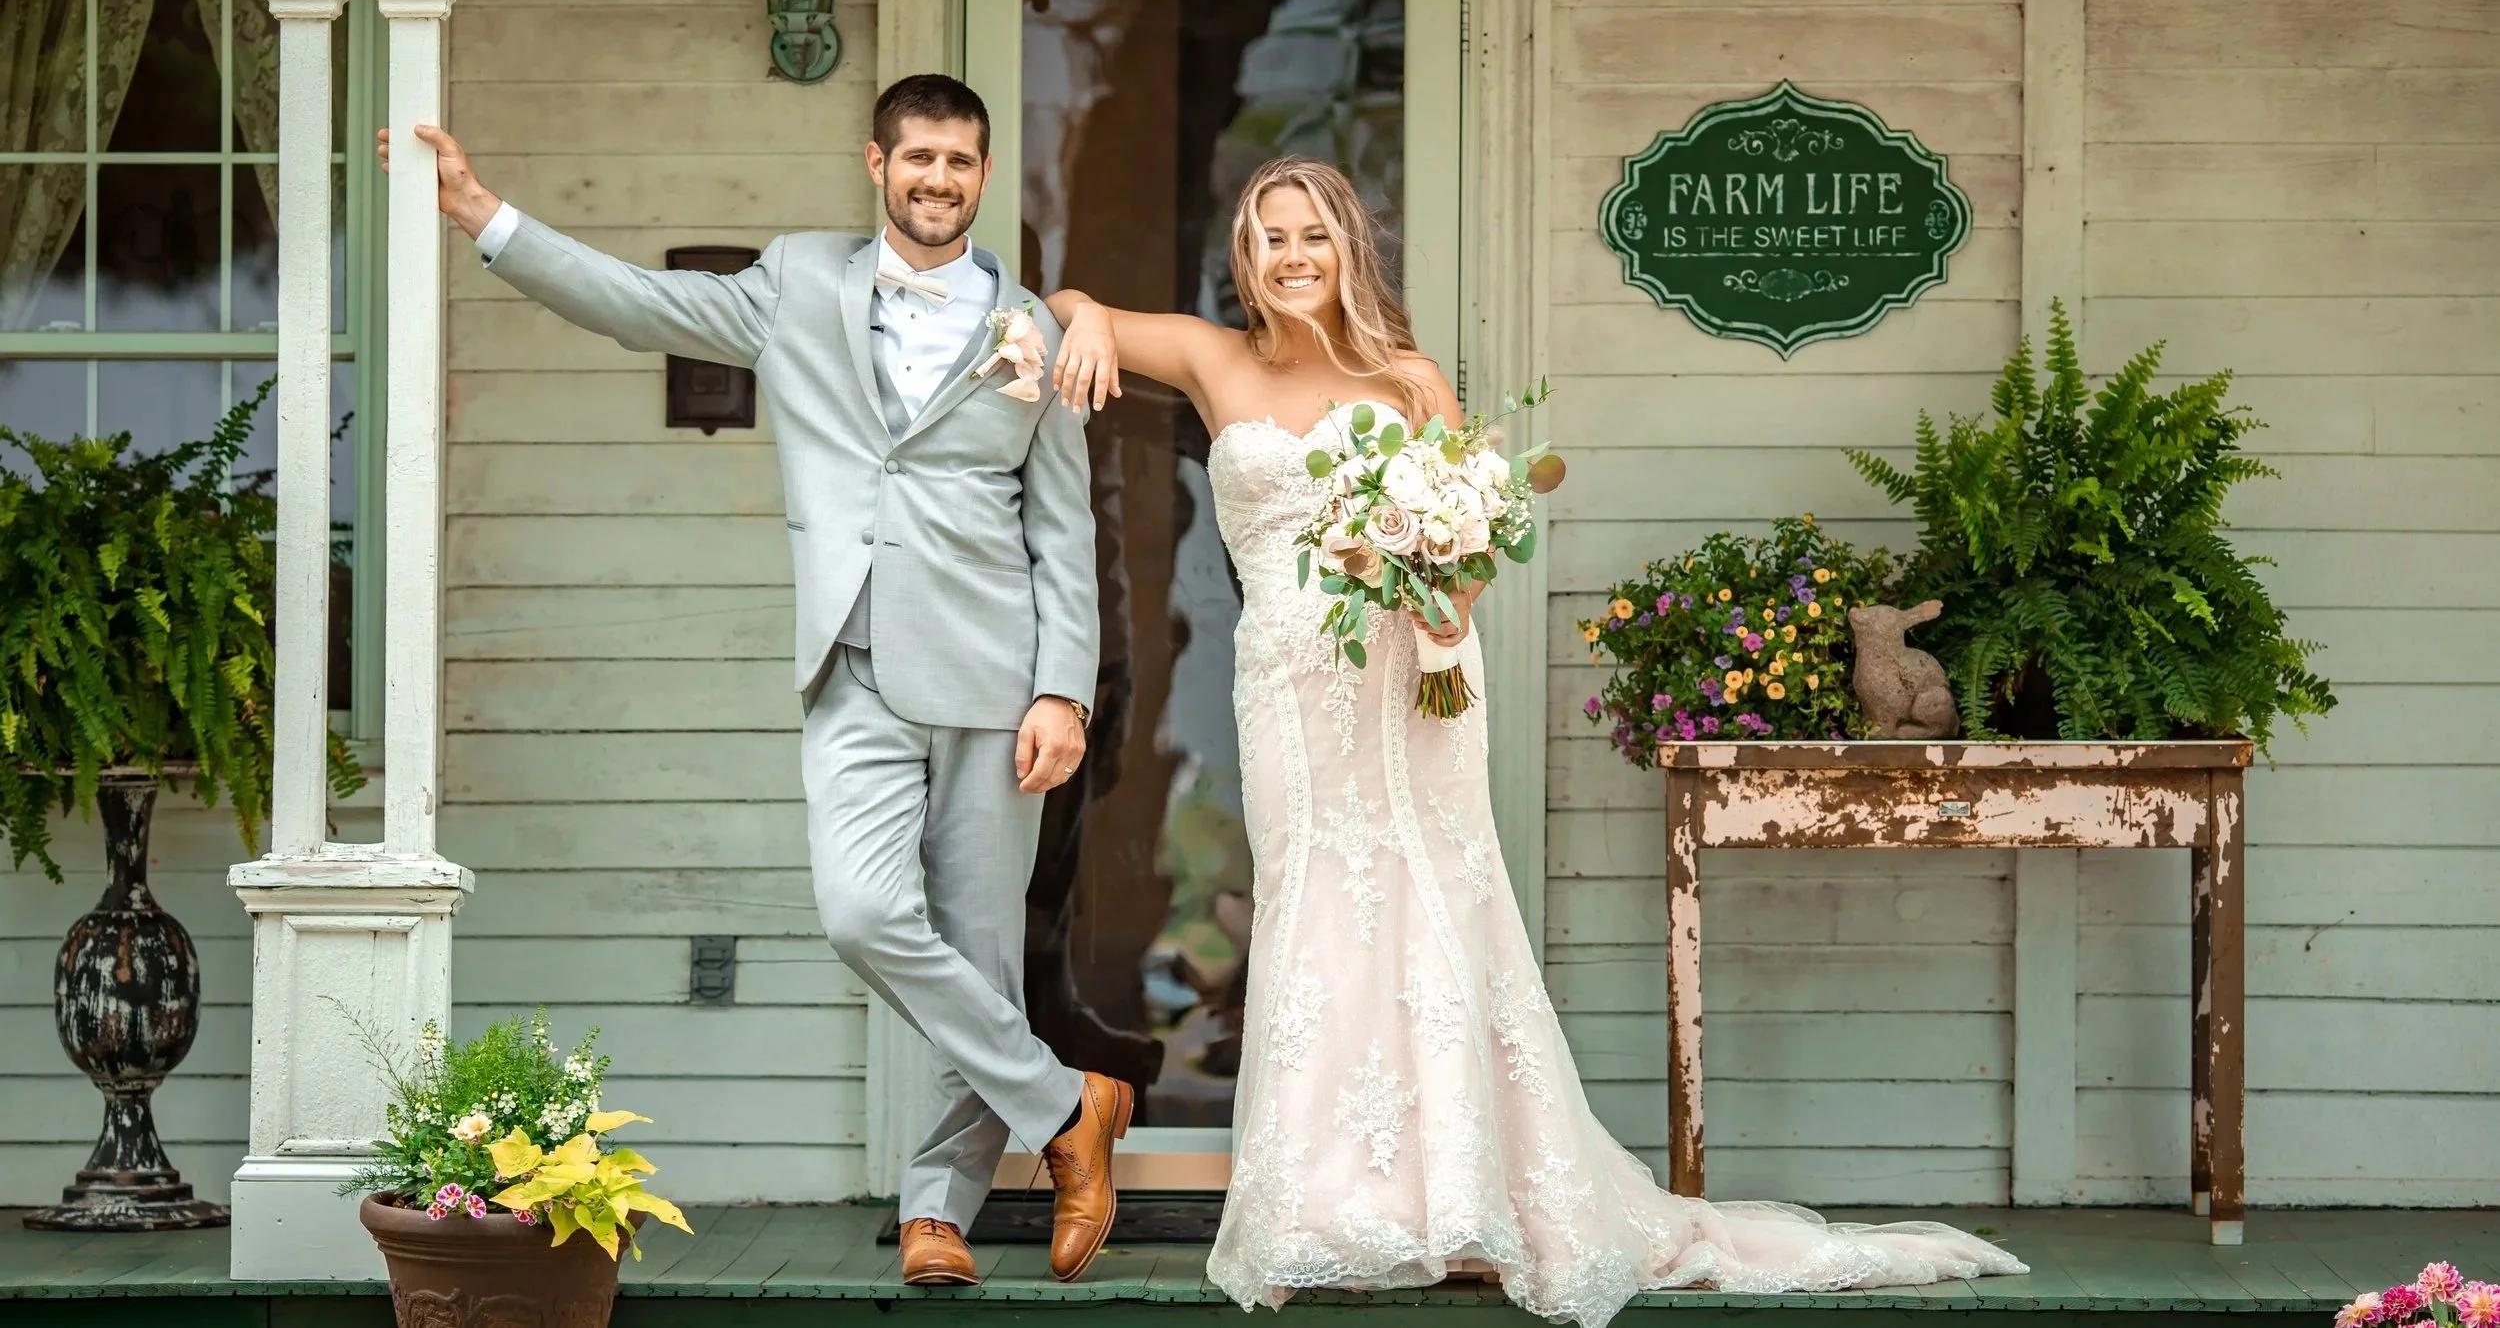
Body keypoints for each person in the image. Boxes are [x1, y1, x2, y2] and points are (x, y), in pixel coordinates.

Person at [1043, 156, 2027, 1327]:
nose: (1291, 256)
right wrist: (1089, 325)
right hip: (1288, 691)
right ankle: (1324, 1204)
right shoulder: (1216, 358)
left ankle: (1457, 1196)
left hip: (1408, 678)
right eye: (1268, 238)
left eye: (1311, 234)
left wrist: (1442, 597)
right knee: (1317, 904)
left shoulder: (1408, 380)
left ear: (1348, 246)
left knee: (1434, 900)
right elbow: (1067, 304)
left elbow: (1462, 560)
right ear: (1245, 258)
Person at [381, 75, 1131, 1288]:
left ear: (983, 176)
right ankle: (1067, 1105)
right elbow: (639, 304)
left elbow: (1063, 530)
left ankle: (939, 1212)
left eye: (960, 161)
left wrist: (1065, 689)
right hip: (850, 664)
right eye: (917, 158)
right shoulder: (795, 283)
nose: (938, 179)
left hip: (996, 680)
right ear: (875, 164)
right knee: (864, 914)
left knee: (979, 956)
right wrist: (484, 216)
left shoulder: (1035, 329)